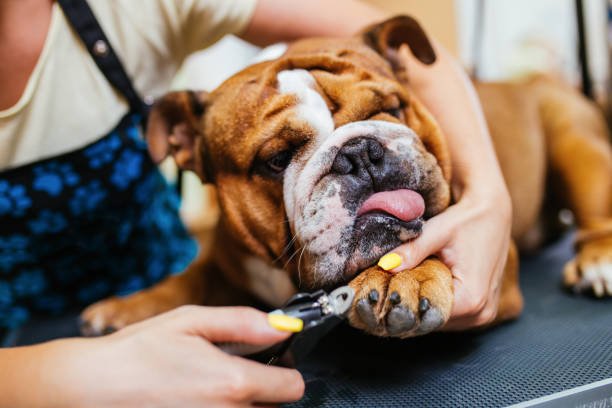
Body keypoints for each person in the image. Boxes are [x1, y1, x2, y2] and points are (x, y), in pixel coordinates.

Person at [0, 0, 511, 405]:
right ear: (180, 144)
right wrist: (69, 379)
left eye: (385, 110)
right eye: (280, 156)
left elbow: (421, 55)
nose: (361, 165)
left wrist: (487, 198)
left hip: (152, 273)